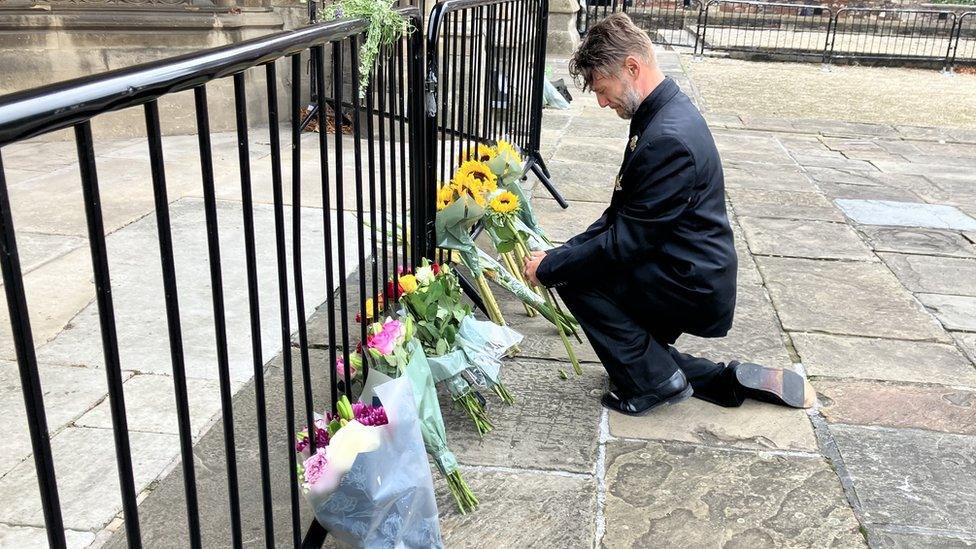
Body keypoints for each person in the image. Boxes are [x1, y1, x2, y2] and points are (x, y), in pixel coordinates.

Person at [523, 13, 815, 416]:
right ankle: (716, 379)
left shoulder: (667, 138)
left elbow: (624, 242)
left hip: (690, 284)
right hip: (680, 265)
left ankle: (653, 382)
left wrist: (554, 264)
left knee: (576, 275)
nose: (603, 102)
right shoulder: (662, 112)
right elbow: (620, 215)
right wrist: (559, 250)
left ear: (631, 67)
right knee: (577, 270)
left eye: (603, 90)